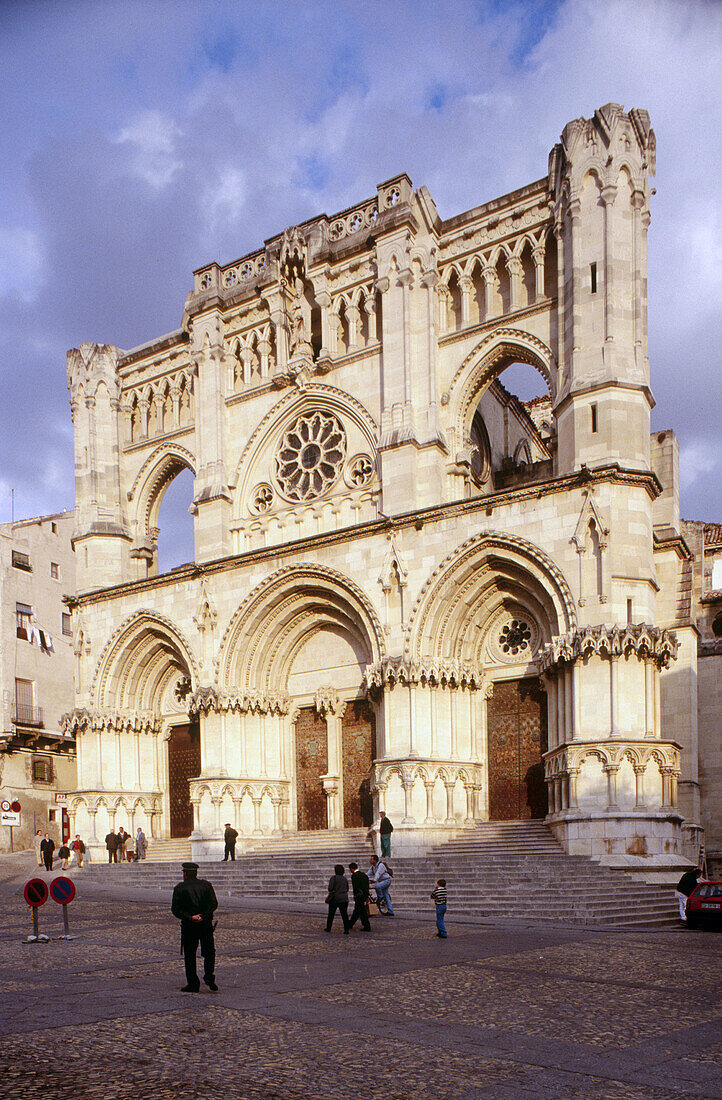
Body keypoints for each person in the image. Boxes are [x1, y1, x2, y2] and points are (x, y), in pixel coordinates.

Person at [171, 861, 219, 992]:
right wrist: (203, 915)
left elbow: (176, 909)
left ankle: (193, 983)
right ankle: (209, 976)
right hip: (205, 924)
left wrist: (191, 917)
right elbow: (213, 904)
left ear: (185, 874)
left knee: (190, 954)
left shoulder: (179, 888)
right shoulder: (206, 885)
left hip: (189, 925)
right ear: (196, 873)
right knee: (209, 952)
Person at [325, 864, 350, 934]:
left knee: (331, 914)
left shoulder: (334, 878)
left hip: (335, 898)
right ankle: (346, 929)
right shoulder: (344, 878)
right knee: (344, 914)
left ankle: (328, 928)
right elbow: (347, 888)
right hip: (344, 898)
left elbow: (330, 888)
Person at [347, 862, 371, 932]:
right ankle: (350, 923)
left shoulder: (354, 876)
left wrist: (355, 895)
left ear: (351, 869)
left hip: (359, 896)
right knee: (357, 911)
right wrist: (366, 896)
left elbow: (355, 887)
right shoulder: (364, 875)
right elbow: (367, 886)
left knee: (361, 911)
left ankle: (366, 926)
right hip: (364, 895)